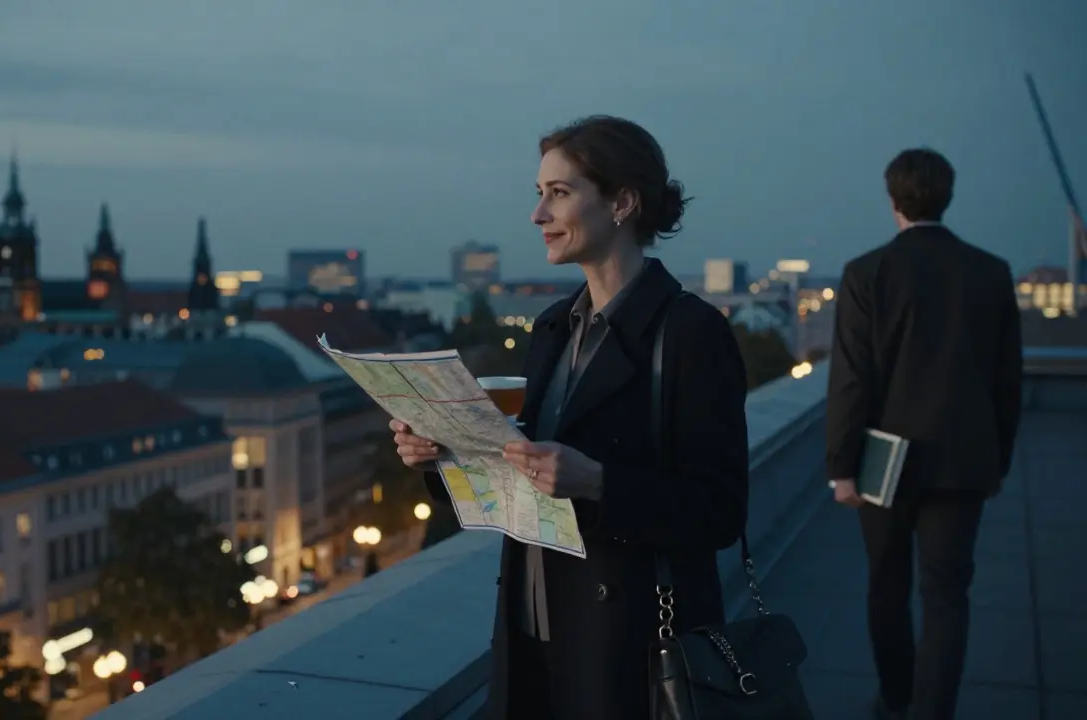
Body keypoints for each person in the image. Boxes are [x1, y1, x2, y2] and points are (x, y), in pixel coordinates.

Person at [390, 115, 750, 719]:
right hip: (529, 632)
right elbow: (522, 477)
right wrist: (443, 452)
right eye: (539, 194)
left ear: (622, 203)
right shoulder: (554, 326)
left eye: (559, 193)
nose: (538, 216)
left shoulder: (691, 334)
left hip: (628, 650)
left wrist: (600, 483)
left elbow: (719, 512)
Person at [825, 148, 1024, 720]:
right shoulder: (990, 271)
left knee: (886, 585)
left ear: (894, 202)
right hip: (965, 462)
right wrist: (998, 462)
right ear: (948, 196)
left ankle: (895, 697)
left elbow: (851, 382)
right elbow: (1006, 381)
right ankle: (933, 711)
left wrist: (842, 467)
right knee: (947, 594)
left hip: (883, 463)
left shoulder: (867, 273)